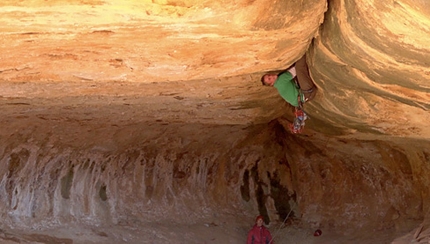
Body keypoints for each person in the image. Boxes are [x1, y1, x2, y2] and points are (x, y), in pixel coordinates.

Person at [261, 54, 317, 133]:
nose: (271, 76)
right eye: (269, 79)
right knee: (299, 67)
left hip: (305, 97)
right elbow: (294, 71)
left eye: (269, 75)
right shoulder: (280, 81)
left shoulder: (278, 85)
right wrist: (299, 52)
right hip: (308, 92)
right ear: (271, 84)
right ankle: (304, 51)